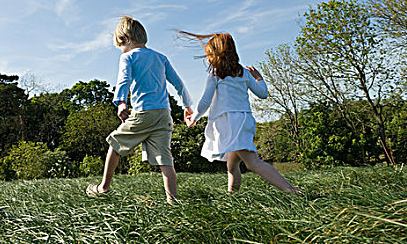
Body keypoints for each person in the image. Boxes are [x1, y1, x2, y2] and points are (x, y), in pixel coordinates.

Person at [86, 16, 193, 203]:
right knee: (165, 160)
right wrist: (187, 105)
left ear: (126, 40)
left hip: (143, 112)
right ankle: (173, 201)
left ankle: (103, 188)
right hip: (163, 114)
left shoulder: (127, 57)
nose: (121, 50)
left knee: (114, 143)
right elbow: (178, 83)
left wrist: (120, 102)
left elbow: (124, 80)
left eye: (121, 46)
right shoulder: (161, 57)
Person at [182, 31, 300, 194]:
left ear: (216, 55)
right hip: (244, 120)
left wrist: (193, 118)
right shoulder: (243, 72)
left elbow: (205, 102)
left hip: (230, 123)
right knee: (232, 164)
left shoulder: (216, 74)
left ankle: (291, 190)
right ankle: (233, 197)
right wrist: (259, 78)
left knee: (253, 162)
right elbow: (262, 93)